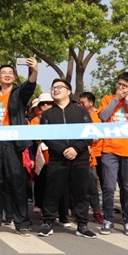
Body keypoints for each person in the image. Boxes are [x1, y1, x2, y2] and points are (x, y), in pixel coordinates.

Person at [0, 59, 38, 236]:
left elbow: (30, 85)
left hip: (14, 143)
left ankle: (22, 223)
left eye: (10, 73)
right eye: (3, 73)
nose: (7, 75)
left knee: (17, 183)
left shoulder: (19, 93)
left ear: (14, 77)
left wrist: (34, 70)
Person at [37, 79, 96, 239]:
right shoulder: (48, 114)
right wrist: (62, 149)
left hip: (80, 158)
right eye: (53, 87)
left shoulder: (81, 111)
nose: (55, 90)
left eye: (59, 87)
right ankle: (47, 222)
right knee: (52, 191)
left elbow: (89, 132)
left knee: (80, 192)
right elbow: (45, 136)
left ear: (69, 91)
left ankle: (82, 225)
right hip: (57, 159)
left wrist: (76, 148)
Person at [97, 72, 128, 236]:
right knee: (108, 187)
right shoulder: (107, 99)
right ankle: (108, 219)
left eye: (125, 86)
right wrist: (116, 99)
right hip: (110, 149)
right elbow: (103, 116)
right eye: (119, 84)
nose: (121, 88)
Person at [78, 92, 104, 224]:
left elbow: (97, 135)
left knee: (98, 185)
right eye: (79, 102)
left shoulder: (99, 115)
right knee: (84, 185)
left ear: (91, 103)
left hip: (99, 154)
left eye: (83, 103)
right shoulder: (77, 115)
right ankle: (80, 213)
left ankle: (98, 211)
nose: (80, 105)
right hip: (83, 154)